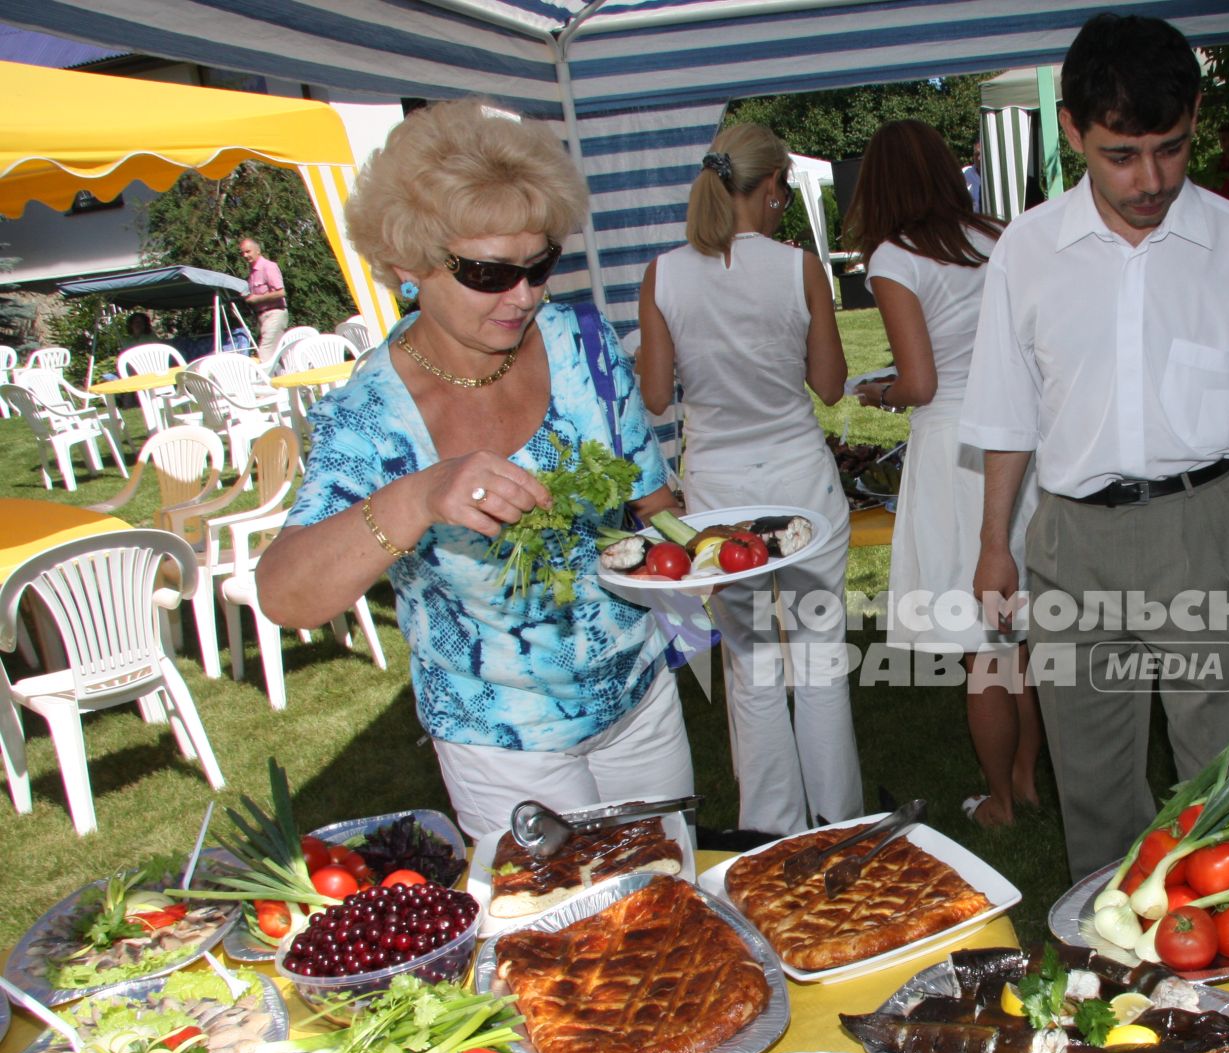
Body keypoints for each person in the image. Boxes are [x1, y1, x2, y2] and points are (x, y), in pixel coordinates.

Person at [255, 98, 695, 837]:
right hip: (502, 740)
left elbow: (651, 503)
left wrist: (711, 561)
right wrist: (419, 497)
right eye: (489, 273)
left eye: (540, 266)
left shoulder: (580, 344)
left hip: (640, 697)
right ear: (407, 263)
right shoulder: (374, 413)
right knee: (561, 944)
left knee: (672, 910)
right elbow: (286, 594)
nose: (523, 296)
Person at [960, 13, 1229, 878]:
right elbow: (1007, 415)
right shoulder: (1028, 251)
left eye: (1171, 149)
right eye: (1120, 156)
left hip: (1201, 529)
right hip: (1070, 540)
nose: (1151, 179)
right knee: (1090, 773)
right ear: (1072, 131)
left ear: (1197, 116)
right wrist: (992, 549)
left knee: (1224, 767)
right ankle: (1116, 950)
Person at [637, 122, 861, 836]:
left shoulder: (663, 273)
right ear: (768, 189)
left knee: (751, 661)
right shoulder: (798, 268)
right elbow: (829, 385)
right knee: (820, 656)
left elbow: (652, 394)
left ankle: (769, 828)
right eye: (783, 194)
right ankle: (836, 820)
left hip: (717, 489)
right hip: (801, 478)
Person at [844, 119, 1043, 829]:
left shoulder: (895, 257)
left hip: (955, 450)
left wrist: (881, 391)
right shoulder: (999, 236)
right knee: (1013, 632)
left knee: (978, 646)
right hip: (1021, 436)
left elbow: (922, 382)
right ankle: (1025, 779)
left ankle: (999, 801)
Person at [239, 236, 290, 365]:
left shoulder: (268, 266)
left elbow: (281, 292)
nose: (245, 255)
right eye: (243, 252)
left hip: (275, 313)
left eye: (248, 251)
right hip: (262, 317)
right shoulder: (251, 273)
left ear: (258, 251)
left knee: (265, 350)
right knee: (277, 353)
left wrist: (257, 299)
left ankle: (267, 381)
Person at [963, 139, 984, 213]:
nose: (979, 158)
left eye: (982, 154)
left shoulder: (996, 176)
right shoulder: (965, 174)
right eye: (977, 154)